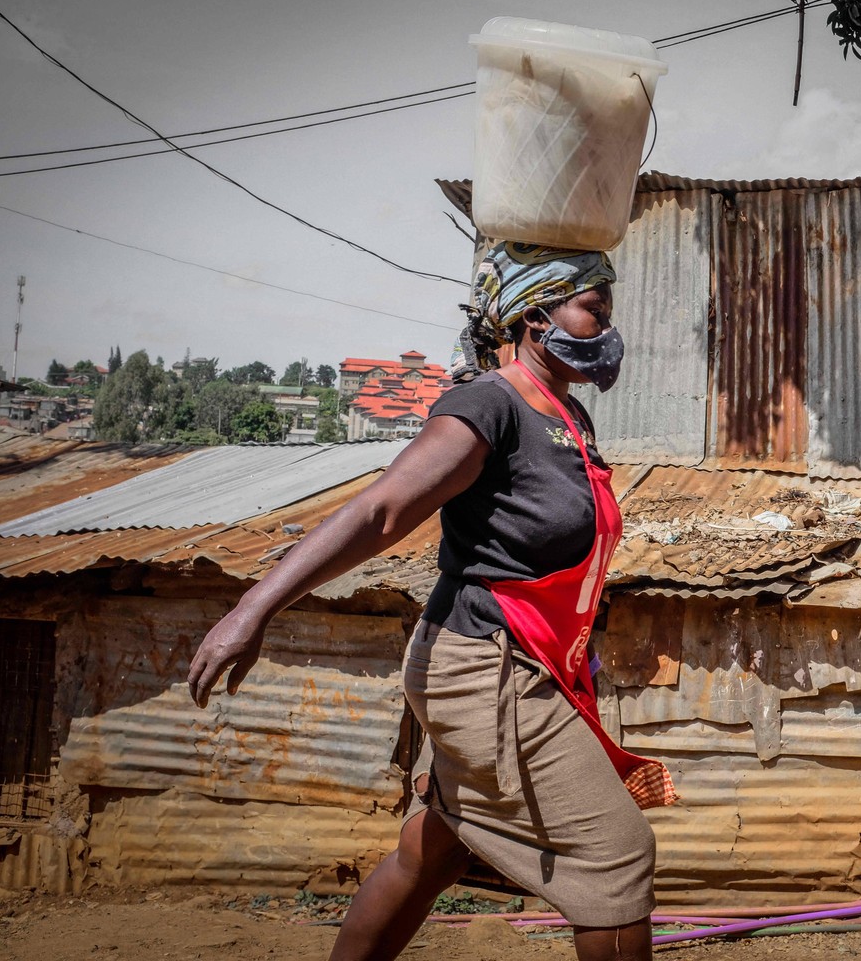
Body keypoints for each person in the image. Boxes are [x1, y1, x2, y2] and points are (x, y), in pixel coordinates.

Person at [187, 242, 672, 961]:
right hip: (486, 669)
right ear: (536, 317)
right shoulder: (489, 405)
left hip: (520, 664)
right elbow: (383, 511)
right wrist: (251, 609)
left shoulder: (569, 416)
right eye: (592, 310)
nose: (607, 330)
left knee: (436, 850)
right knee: (616, 852)